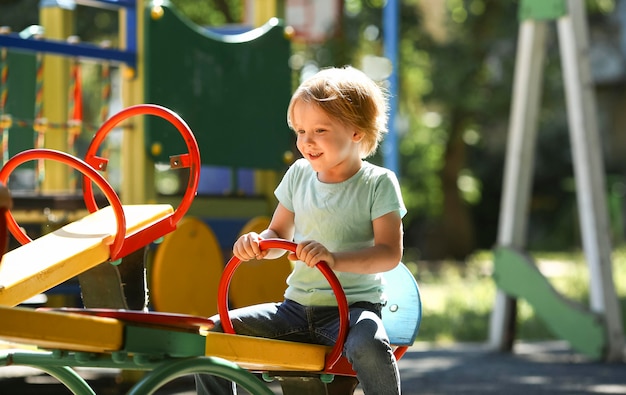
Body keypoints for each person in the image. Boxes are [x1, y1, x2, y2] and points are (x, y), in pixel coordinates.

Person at [196, 65, 406, 394]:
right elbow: (278, 235)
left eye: (320, 130)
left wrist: (333, 259)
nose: (306, 142)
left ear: (356, 132)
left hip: (351, 311)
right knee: (213, 332)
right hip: (294, 309)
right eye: (300, 131)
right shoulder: (298, 174)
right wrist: (259, 244)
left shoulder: (377, 183)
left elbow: (389, 254)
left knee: (369, 344)